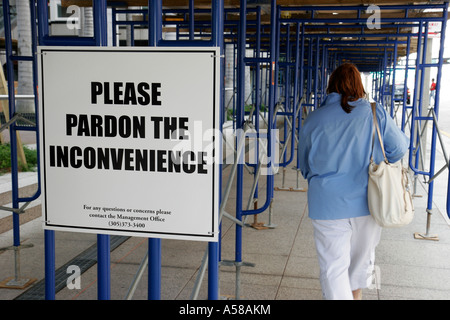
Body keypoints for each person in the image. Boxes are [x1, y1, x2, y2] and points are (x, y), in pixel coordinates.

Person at [298, 63, 409, 300]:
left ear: (330, 86)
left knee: (333, 267)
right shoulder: (374, 112)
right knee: (360, 263)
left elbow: (304, 166)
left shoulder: (314, 119)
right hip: (368, 201)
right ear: (360, 86)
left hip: (326, 204)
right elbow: (399, 148)